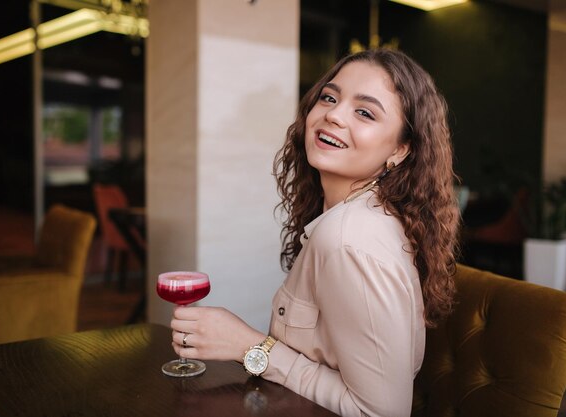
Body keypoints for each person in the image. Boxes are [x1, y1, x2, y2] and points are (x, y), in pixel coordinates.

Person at [169, 48, 460, 417]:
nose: (333, 115)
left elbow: (381, 412)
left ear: (400, 150)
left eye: (365, 112)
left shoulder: (347, 239)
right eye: (329, 97)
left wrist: (250, 346)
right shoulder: (358, 216)